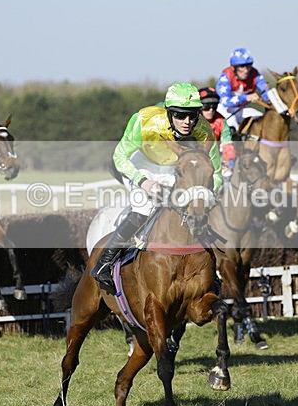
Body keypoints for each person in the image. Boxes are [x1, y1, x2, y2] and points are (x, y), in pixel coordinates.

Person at [91, 82, 223, 294]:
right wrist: (143, 181)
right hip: (139, 163)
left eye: (192, 115)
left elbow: (215, 172)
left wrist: (207, 194)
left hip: (173, 167)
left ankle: (206, 267)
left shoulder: (204, 132)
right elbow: (119, 156)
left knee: (190, 207)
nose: (187, 122)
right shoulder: (145, 121)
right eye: (180, 116)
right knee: (144, 207)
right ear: (169, 113)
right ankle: (104, 263)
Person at [216, 47, 271, 134]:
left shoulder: (254, 74)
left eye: (248, 66)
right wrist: (246, 98)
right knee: (232, 124)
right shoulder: (226, 76)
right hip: (224, 109)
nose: (246, 70)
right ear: (233, 68)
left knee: (261, 119)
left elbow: (267, 93)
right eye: (242, 66)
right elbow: (225, 101)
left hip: (242, 109)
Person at [199, 86, 236, 179]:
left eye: (214, 106)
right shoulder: (192, 121)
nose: (211, 110)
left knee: (228, 174)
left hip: (215, 157)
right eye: (206, 106)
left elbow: (227, 144)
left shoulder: (221, 121)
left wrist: (230, 159)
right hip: (196, 157)